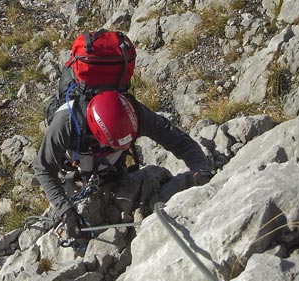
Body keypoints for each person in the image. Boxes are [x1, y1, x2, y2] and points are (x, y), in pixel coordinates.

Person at [33, 89, 212, 241]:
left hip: (109, 164)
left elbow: (180, 141)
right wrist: (65, 209)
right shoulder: (65, 123)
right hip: (77, 160)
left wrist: (200, 169)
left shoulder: (135, 114)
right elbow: (43, 168)